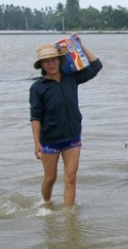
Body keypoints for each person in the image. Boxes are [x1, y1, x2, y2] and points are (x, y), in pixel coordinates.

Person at [29, 34, 103, 208]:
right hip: (50, 140)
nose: (51, 63)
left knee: (71, 178)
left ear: (60, 60)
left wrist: (80, 45)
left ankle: (69, 217)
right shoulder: (38, 88)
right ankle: (45, 204)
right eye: (46, 61)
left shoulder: (72, 78)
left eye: (54, 59)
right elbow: (35, 116)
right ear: (41, 65)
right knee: (50, 178)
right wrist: (37, 142)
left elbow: (97, 65)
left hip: (72, 137)